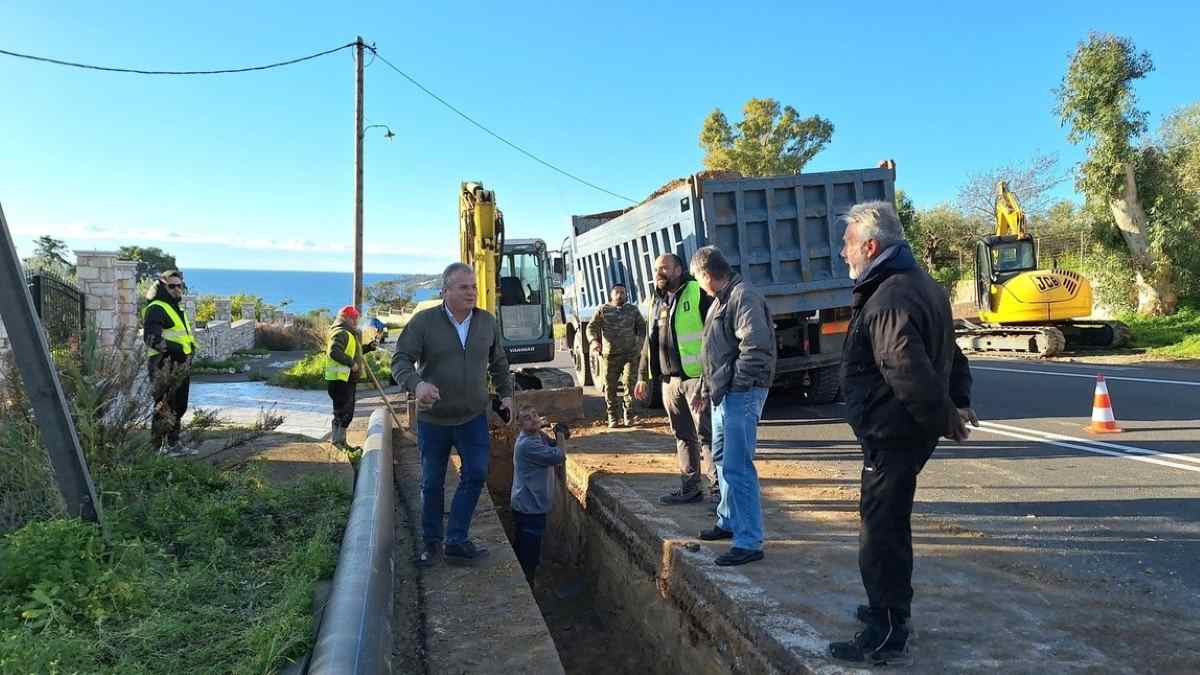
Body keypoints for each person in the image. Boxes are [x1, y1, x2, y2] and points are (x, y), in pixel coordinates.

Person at [828, 201, 975, 666]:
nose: (843, 252)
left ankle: (886, 629)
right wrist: (960, 399)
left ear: (871, 246)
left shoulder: (890, 295)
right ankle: (885, 608)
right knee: (888, 524)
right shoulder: (921, 285)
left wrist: (948, 417)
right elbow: (953, 355)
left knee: (881, 531)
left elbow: (907, 368)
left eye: (849, 244)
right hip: (901, 432)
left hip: (893, 434)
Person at [392, 262, 514, 567]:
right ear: (445, 291)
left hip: (473, 417)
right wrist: (417, 385)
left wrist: (507, 395)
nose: (472, 292)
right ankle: (431, 543)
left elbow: (499, 362)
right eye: (464, 287)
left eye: (473, 287)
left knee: (475, 475)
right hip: (434, 420)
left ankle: (456, 540)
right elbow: (400, 360)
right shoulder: (424, 322)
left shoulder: (486, 322)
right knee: (432, 483)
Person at [687, 246, 776, 567]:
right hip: (724, 395)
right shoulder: (720, 300)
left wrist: (736, 388)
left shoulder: (743, 297)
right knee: (723, 458)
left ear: (708, 276)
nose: (697, 284)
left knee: (739, 467)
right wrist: (705, 387)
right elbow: (713, 352)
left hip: (741, 394)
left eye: (697, 278)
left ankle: (749, 541)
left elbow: (754, 347)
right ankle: (727, 521)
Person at [634, 254, 717, 506]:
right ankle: (690, 488)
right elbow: (650, 342)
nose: (659, 272)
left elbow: (714, 334)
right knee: (682, 435)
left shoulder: (697, 292)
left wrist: (709, 376)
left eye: (665, 268)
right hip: (669, 382)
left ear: (679, 270)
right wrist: (642, 377)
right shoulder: (655, 301)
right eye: (656, 269)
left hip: (696, 379)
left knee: (707, 436)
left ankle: (718, 493)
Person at [511, 407, 569, 583]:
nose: (534, 419)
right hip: (530, 509)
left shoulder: (536, 436)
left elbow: (552, 445)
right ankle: (527, 586)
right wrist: (560, 437)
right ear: (520, 425)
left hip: (526, 503)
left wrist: (559, 436)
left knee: (524, 548)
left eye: (535, 415)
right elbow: (559, 456)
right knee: (529, 554)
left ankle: (524, 579)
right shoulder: (527, 444)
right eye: (528, 418)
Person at [142, 270, 197, 456]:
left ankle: (173, 444)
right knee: (163, 406)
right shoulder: (157, 308)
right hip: (163, 366)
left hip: (180, 367)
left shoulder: (175, 308)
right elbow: (151, 338)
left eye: (179, 286)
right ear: (162, 287)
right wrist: (178, 350)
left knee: (179, 406)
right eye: (171, 286)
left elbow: (183, 336)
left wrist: (188, 354)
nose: (176, 289)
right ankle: (156, 448)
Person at [586, 282, 646, 428]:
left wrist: (638, 346)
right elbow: (591, 327)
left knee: (629, 384)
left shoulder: (632, 310)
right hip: (610, 357)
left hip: (629, 356)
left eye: (623, 292)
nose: (620, 295)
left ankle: (629, 415)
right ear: (611, 295)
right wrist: (594, 341)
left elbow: (642, 328)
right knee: (610, 387)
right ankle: (612, 416)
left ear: (626, 295)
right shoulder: (603, 310)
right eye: (617, 292)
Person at [324, 305, 377, 449]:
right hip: (341, 380)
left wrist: (368, 347)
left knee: (344, 412)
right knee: (343, 413)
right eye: (353, 319)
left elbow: (353, 353)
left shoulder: (348, 333)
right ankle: (337, 442)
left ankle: (340, 442)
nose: (355, 322)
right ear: (345, 318)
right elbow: (334, 351)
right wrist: (351, 363)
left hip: (344, 380)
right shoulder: (341, 332)